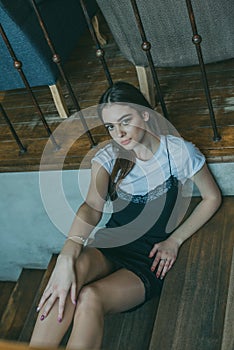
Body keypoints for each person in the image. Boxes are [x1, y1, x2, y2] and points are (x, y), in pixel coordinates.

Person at [30, 82, 221, 349]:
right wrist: (67, 253)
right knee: (69, 274)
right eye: (110, 127)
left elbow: (212, 198)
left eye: (125, 121)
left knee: (90, 297)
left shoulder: (177, 153)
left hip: (148, 256)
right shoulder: (108, 156)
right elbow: (92, 207)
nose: (118, 133)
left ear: (145, 113)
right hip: (111, 243)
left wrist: (175, 240)